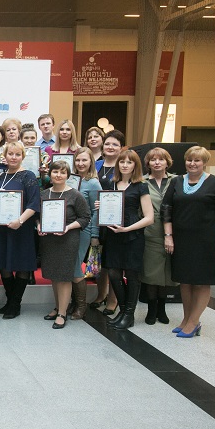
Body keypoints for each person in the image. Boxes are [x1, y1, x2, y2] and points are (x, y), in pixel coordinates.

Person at [162, 146, 215, 338]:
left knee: (202, 281)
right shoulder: (176, 181)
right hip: (181, 239)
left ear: (204, 162)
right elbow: (166, 210)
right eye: (189, 160)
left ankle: (194, 322)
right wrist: (168, 236)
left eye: (197, 160)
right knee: (185, 281)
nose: (192, 163)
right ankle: (186, 319)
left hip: (207, 240)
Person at [100, 150, 154, 330]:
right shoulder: (111, 183)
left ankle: (129, 314)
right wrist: (100, 205)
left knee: (132, 275)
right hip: (113, 234)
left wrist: (127, 229)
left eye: (129, 162)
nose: (124, 165)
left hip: (132, 235)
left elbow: (149, 217)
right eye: (122, 162)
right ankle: (123, 311)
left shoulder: (141, 186)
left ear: (135, 165)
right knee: (113, 273)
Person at [0, 142, 40, 319]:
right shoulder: (1, 176)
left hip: (21, 229)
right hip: (1, 229)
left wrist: (20, 220)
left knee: (22, 265)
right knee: (3, 265)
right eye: (10, 154)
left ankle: (15, 304)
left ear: (23, 156)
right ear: (5, 155)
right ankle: (10, 302)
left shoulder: (28, 176)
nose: (13, 157)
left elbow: (34, 203)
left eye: (17, 154)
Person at [38, 160, 91, 329]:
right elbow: (38, 216)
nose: (58, 175)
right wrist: (38, 225)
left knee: (64, 276)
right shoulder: (44, 194)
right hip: (49, 240)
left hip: (68, 239)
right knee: (54, 275)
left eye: (62, 172)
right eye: (55, 172)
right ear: (50, 174)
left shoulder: (75, 195)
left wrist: (68, 227)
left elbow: (85, 217)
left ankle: (62, 313)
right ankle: (58, 306)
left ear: (68, 175)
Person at [89, 129, 125, 314]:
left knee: (113, 263)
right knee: (99, 260)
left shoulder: (124, 166)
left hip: (116, 221)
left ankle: (113, 299)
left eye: (115, 144)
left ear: (121, 148)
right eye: (108, 143)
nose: (110, 147)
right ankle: (101, 294)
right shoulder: (96, 165)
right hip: (97, 220)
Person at [139, 147, 175, 325]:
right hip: (150, 232)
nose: (157, 162)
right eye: (153, 159)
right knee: (151, 273)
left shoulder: (176, 181)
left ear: (167, 162)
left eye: (161, 159)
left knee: (167, 273)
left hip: (172, 232)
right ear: (148, 163)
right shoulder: (141, 181)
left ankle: (162, 308)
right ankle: (152, 309)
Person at [69, 147, 101, 320]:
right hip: (68, 229)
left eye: (84, 160)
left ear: (91, 162)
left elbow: (96, 211)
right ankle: (73, 303)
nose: (81, 163)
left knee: (75, 266)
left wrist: (95, 235)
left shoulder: (93, 183)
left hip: (84, 229)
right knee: (69, 265)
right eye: (78, 160)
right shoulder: (70, 179)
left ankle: (81, 306)